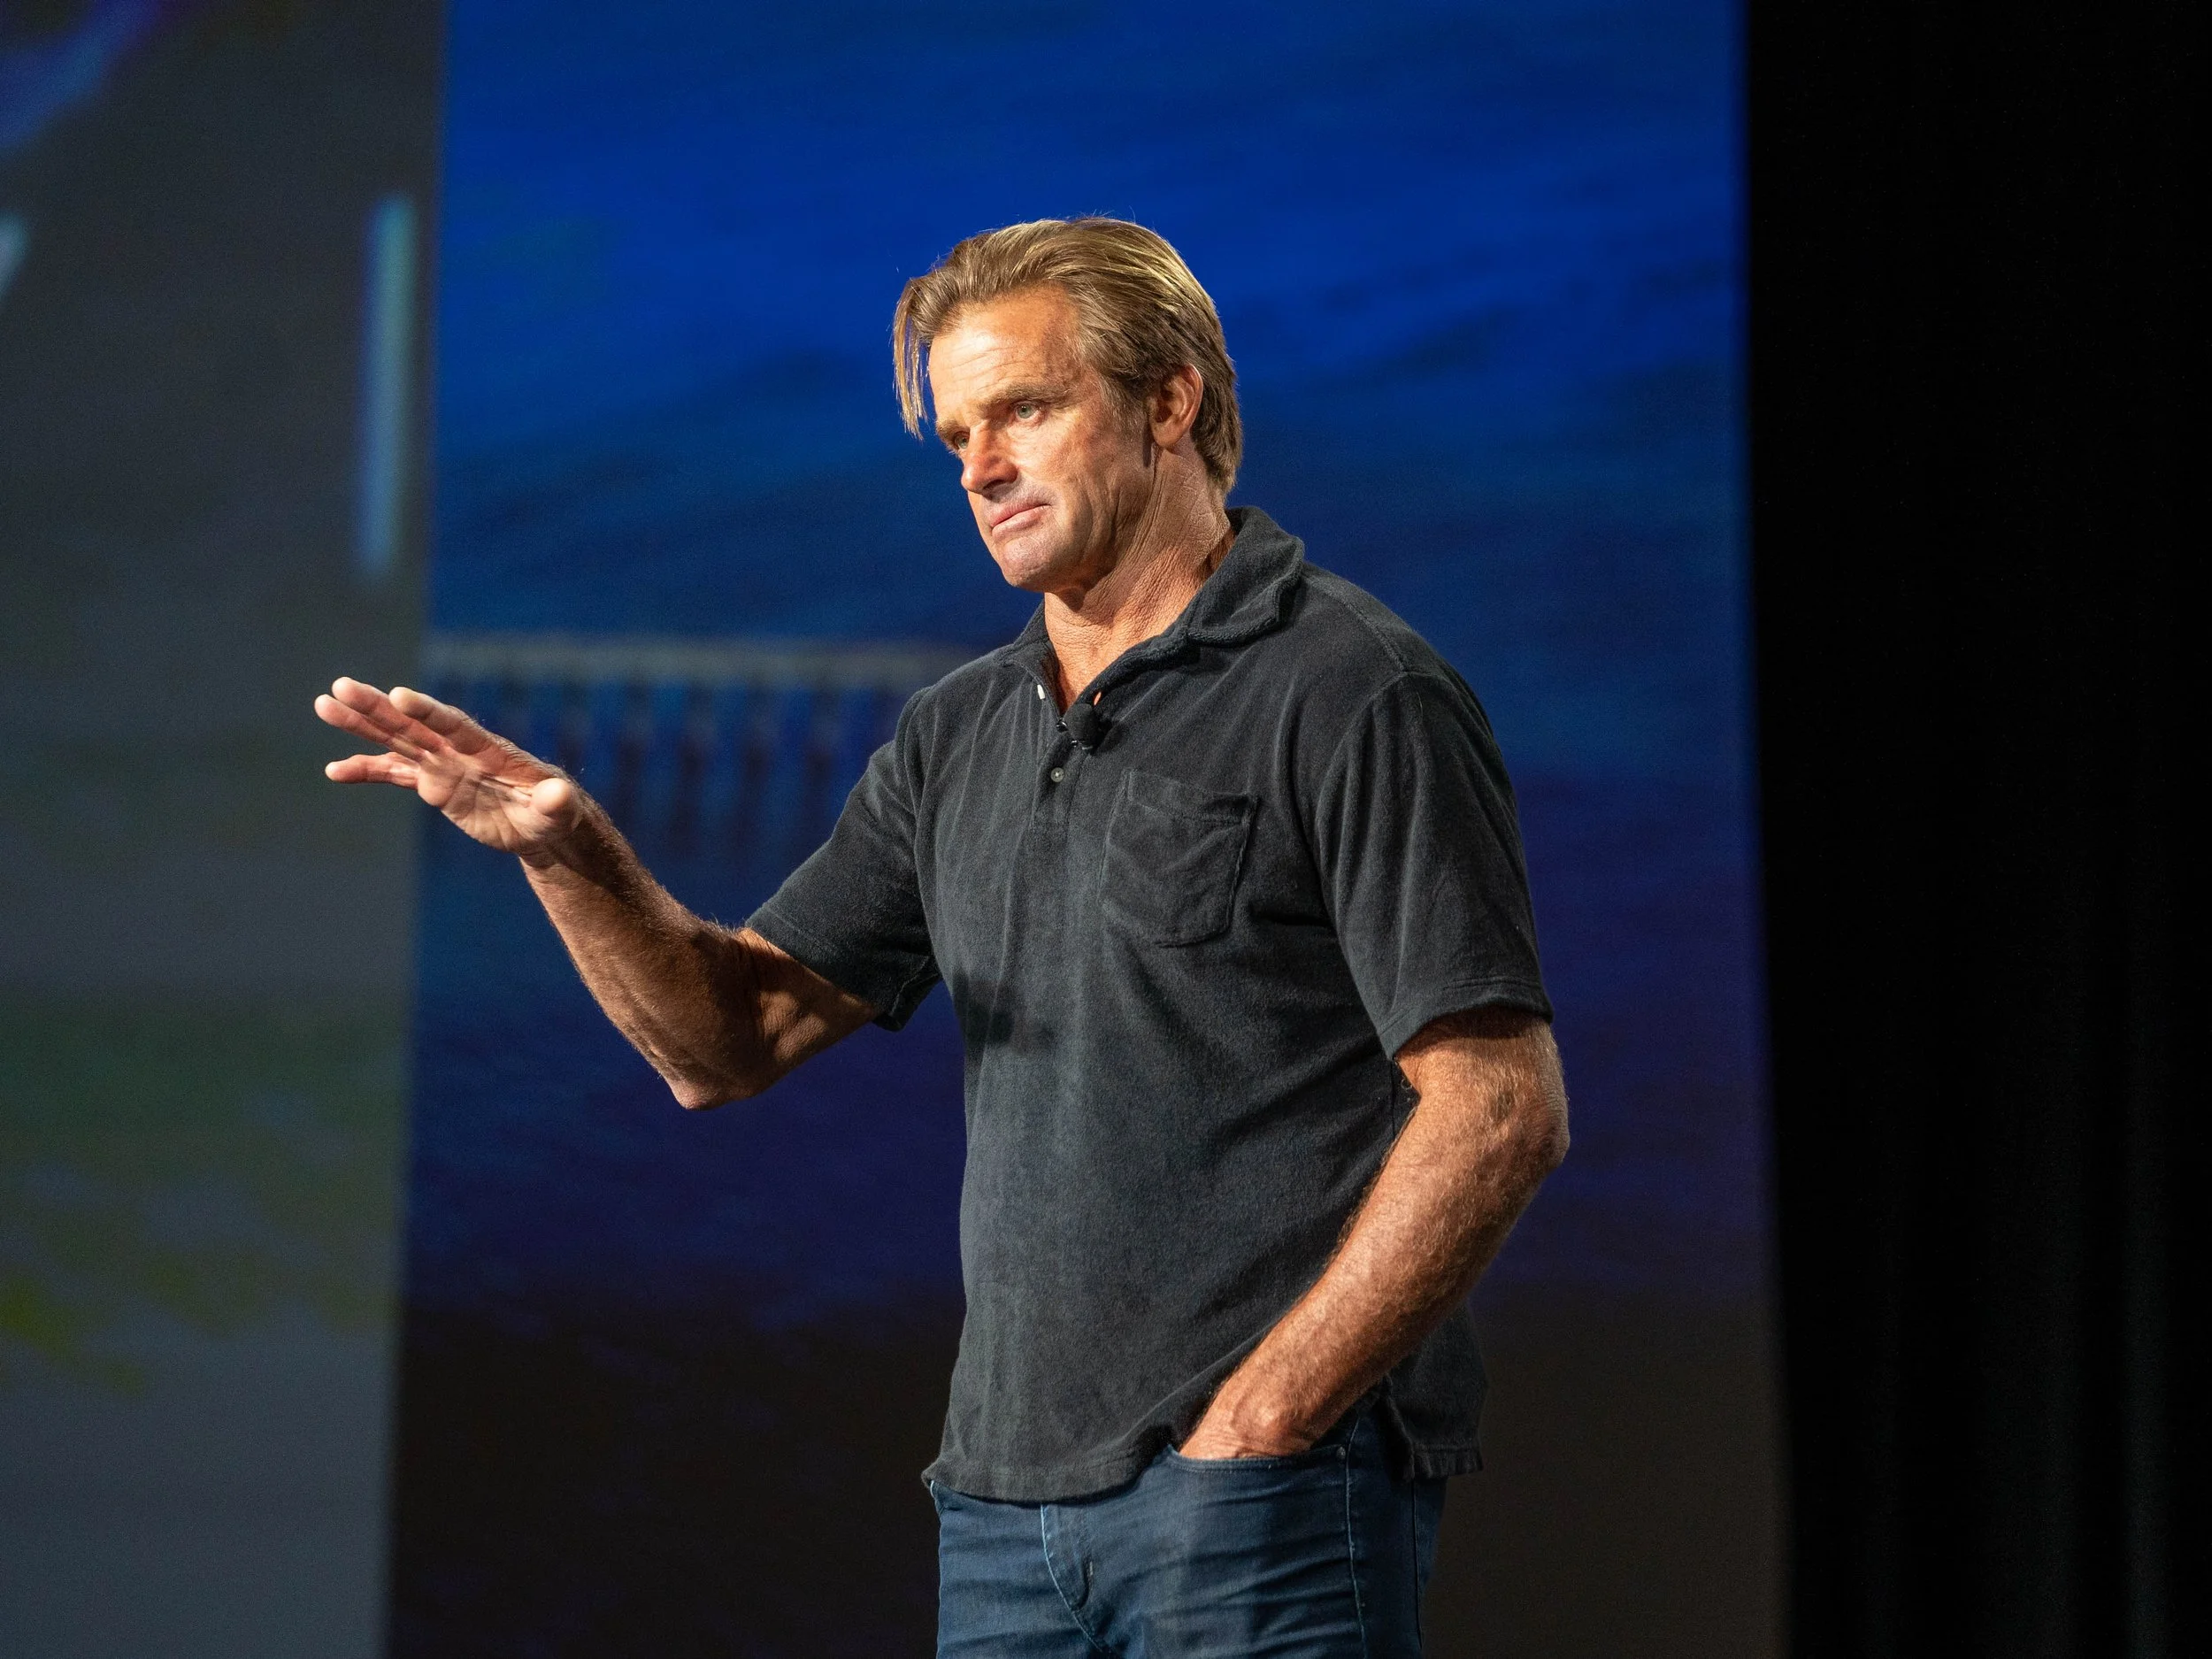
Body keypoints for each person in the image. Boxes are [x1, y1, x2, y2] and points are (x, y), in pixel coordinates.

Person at [317, 217, 1568, 1656]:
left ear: (1172, 398)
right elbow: (728, 1041)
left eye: (1025, 410)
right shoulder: (962, 730)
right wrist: (570, 853)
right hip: (1001, 1522)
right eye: (959, 433)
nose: (980, 467)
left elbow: (1496, 1109)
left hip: (1262, 1508)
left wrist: (1266, 1420)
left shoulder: (1354, 690)